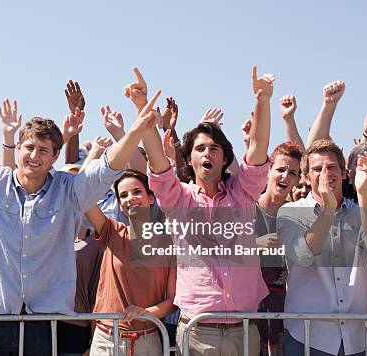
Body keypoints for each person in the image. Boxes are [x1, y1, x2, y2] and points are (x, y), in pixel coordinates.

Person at [0, 55, 162, 355]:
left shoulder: (69, 189)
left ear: (55, 156)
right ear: (17, 147)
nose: (34, 155)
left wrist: (137, 128)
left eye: (43, 150)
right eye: (29, 147)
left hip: (43, 323)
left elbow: (109, 166)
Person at [137, 65, 274, 355]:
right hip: (197, 331)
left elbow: (258, 151)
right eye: (200, 149)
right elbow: (159, 165)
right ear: (189, 158)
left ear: (225, 159)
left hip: (244, 330)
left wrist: (262, 100)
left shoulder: (243, 194)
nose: (207, 153)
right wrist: (143, 111)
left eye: (214, 148)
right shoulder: (179, 199)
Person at [277, 139, 367, 355]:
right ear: (306, 177)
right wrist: (328, 208)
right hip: (308, 337)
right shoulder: (289, 212)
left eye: (332, 167)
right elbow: (303, 255)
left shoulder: (361, 210)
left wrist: (363, 194)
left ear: (343, 173)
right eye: (317, 169)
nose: (326, 173)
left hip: (358, 336)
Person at [85, 169, 177, 356]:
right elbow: (83, 197)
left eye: (137, 192)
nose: (130, 198)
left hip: (147, 340)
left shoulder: (169, 244)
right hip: (106, 340)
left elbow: (173, 300)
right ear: (119, 205)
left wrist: (146, 312)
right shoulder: (111, 231)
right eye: (124, 195)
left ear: (151, 198)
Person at [254, 142, 303, 356]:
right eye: (280, 169)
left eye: (292, 172)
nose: (285, 176)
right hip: (248, 313)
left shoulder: (298, 217)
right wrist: (255, 245)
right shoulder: (246, 208)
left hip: (284, 314)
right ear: (268, 171)